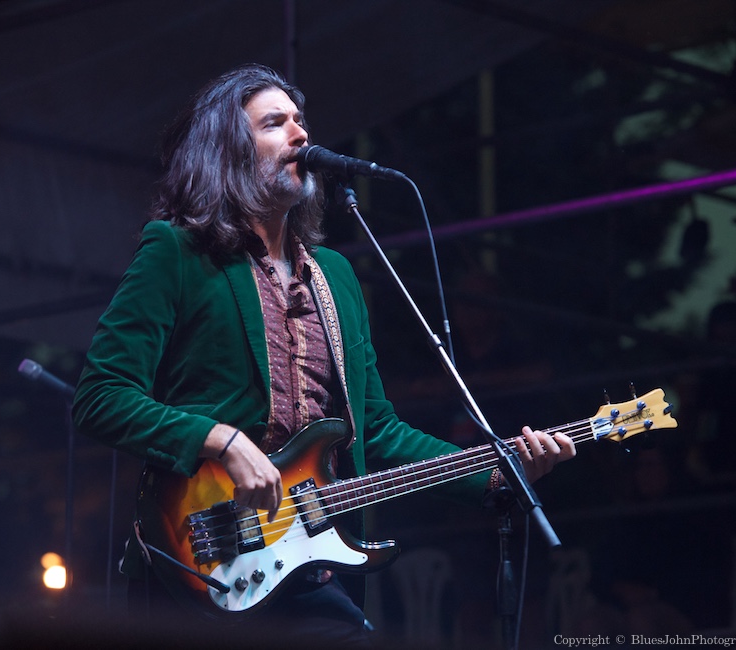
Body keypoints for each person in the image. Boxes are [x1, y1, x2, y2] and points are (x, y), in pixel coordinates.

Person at [71, 63, 574, 646]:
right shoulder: (177, 252)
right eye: (274, 123)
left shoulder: (334, 276)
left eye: (300, 120)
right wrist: (222, 441)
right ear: (229, 151)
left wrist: (494, 469)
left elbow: (376, 429)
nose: (301, 134)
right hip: (198, 556)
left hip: (307, 565)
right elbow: (100, 396)